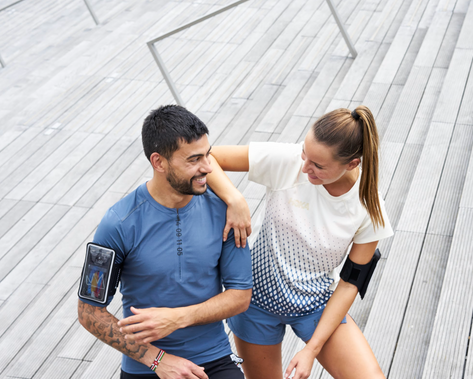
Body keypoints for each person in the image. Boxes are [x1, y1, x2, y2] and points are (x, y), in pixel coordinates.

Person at [207, 106, 394, 379]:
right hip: (255, 303)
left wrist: (312, 349)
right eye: (305, 154)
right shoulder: (290, 160)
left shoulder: (370, 207)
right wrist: (236, 200)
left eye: (318, 166)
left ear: (352, 164)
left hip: (315, 306)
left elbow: (350, 283)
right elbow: (208, 158)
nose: (304, 167)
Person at [77, 104, 253, 379]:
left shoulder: (227, 213)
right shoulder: (118, 223)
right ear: (159, 162)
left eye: (207, 155)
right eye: (193, 160)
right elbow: (89, 312)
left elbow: (240, 296)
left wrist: (179, 318)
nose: (207, 167)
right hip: (147, 366)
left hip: (214, 359)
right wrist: (157, 359)